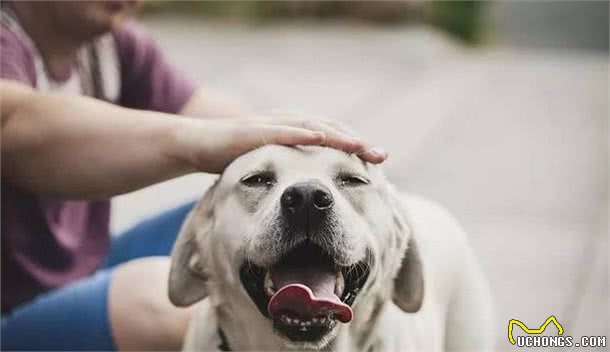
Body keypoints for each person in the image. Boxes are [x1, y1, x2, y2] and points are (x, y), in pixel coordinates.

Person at [0, 2, 386, 351]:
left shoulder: (111, 46)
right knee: (156, 300)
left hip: (83, 265)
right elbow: (13, 123)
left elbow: (230, 122)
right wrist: (198, 142)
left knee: (241, 211)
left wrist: (329, 170)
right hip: (10, 314)